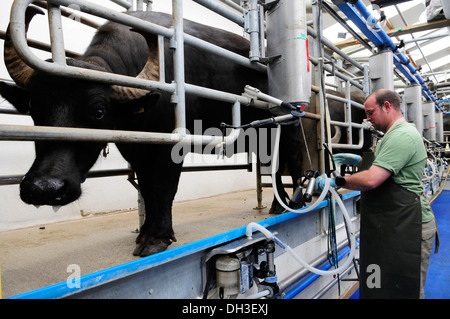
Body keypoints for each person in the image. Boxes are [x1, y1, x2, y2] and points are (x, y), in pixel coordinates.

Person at [316, 89, 438, 299]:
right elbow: (387, 166)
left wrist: (337, 181)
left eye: (371, 112)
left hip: (409, 229)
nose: (368, 118)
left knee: (405, 291)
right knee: (384, 289)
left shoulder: (402, 135)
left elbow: (373, 179)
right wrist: (358, 162)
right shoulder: (392, 135)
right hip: (393, 227)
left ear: (387, 106)